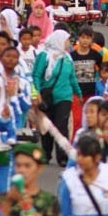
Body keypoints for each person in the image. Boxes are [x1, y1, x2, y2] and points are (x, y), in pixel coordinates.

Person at [33, 30, 83, 167]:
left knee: (62, 125)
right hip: (47, 96)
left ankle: (63, 157)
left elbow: (72, 78)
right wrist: (36, 93)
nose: (69, 43)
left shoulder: (68, 58)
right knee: (47, 125)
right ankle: (46, 154)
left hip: (65, 97)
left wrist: (78, 94)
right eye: (67, 40)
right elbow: (37, 75)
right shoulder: (45, 56)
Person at [57, 135, 108, 216]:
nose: (79, 159)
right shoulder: (69, 178)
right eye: (78, 154)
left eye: (84, 156)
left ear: (97, 158)